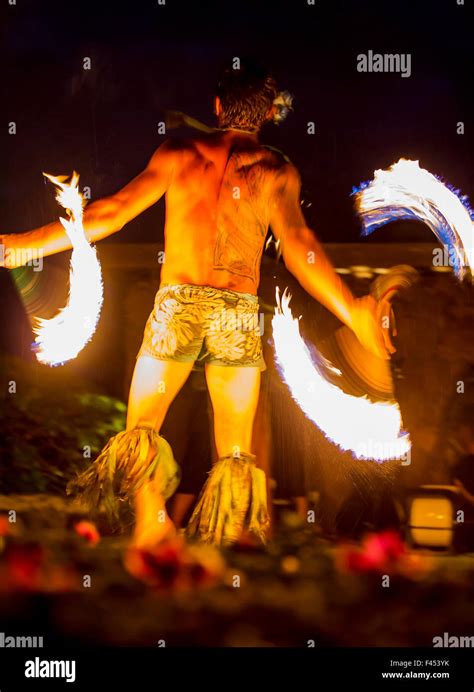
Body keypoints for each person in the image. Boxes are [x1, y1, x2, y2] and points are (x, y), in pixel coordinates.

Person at [0, 58, 393, 552]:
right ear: (269, 113)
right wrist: (352, 308)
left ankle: (151, 523)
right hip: (236, 313)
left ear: (216, 106)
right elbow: (298, 246)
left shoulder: (180, 151)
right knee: (235, 450)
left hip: (178, 307)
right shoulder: (276, 169)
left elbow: (112, 214)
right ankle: (229, 544)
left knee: (142, 426)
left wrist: (20, 245)